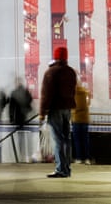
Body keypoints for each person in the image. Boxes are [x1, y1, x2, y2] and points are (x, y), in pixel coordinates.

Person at [39, 47, 76, 178]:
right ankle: (67, 169)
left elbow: (46, 94)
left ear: (55, 58)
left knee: (58, 140)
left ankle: (61, 169)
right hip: (67, 110)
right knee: (66, 139)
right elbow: (73, 91)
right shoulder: (71, 72)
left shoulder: (51, 72)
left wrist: (42, 112)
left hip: (55, 109)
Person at [71, 81, 91, 165]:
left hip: (76, 119)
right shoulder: (86, 92)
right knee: (85, 140)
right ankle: (87, 158)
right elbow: (88, 103)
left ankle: (79, 158)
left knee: (77, 141)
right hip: (85, 119)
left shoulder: (73, 94)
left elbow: (73, 107)